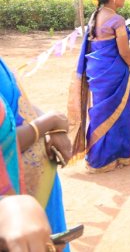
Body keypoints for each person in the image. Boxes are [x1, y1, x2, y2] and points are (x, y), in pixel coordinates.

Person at [69, 0, 130, 173]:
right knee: (116, 112)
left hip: (96, 69)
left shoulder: (95, 16)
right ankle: (104, 158)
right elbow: (123, 50)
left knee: (103, 111)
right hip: (113, 71)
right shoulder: (116, 20)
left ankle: (111, 154)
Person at [0, 57, 70, 244]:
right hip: (15, 208)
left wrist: (52, 124)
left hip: (39, 190)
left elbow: (20, 104)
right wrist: (47, 123)